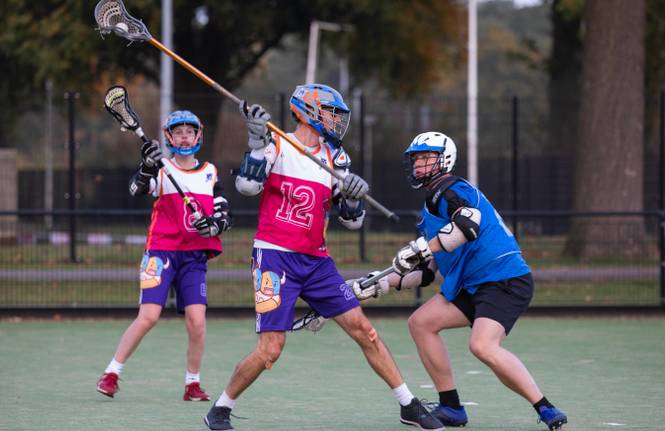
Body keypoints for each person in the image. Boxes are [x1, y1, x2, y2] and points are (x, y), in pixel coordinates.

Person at [202, 84, 444, 431]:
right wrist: (256, 144)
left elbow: (352, 221)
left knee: (365, 330)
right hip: (275, 258)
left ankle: (408, 404)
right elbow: (246, 187)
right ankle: (221, 409)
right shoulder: (277, 144)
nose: (337, 121)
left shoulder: (335, 159)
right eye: (332, 112)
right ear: (309, 111)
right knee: (271, 349)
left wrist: (354, 197)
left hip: (317, 262)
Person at [351, 131, 568, 430]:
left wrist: (424, 247)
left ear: (445, 160)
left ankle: (545, 407)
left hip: (503, 279)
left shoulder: (450, 190)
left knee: (482, 346)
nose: (419, 165)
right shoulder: (429, 211)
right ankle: (451, 407)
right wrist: (382, 284)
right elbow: (427, 272)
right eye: (416, 159)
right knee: (421, 322)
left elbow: (468, 224)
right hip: (473, 284)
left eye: (426, 158)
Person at [96, 110, 232, 402]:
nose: (184, 136)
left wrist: (213, 225)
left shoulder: (210, 171)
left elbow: (223, 214)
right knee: (148, 316)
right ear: (169, 137)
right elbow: (135, 189)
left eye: (189, 131)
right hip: (161, 253)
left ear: (199, 135)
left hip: (194, 257)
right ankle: (111, 374)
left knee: (197, 320)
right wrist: (146, 166)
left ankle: (192, 384)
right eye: (178, 131)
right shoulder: (161, 169)